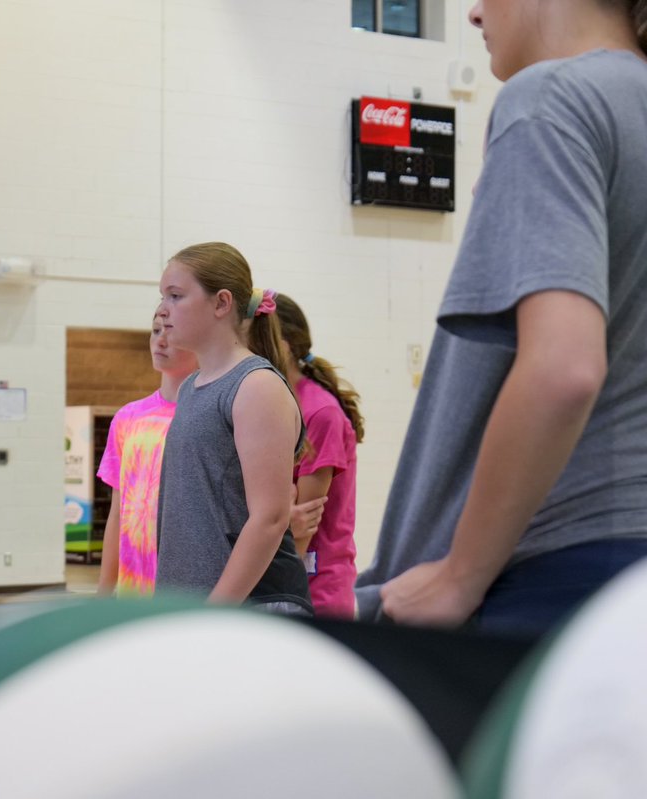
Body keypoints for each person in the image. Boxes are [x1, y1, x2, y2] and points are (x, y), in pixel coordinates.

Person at [358, 0, 647, 637]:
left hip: (566, 569)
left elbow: (564, 368)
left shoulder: (553, 100)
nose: (472, 13)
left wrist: (460, 574)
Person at [154, 242, 312, 614]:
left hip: (252, 605)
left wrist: (215, 611)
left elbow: (270, 518)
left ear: (221, 303)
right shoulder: (192, 387)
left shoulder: (256, 386)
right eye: (162, 297)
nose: (162, 310)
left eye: (175, 296)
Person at [95, 310, 198, 597]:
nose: (160, 341)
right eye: (155, 331)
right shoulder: (128, 417)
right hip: (135, 590)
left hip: (187, 587)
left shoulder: (211, 415)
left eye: (170, 332)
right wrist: (104, 592)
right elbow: (119, 513)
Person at [276, 294, 364, 618]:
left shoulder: (319, 411)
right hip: (282, 585)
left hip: (312, 593)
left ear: (282, 345)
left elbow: (302, 526)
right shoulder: (271, 399)